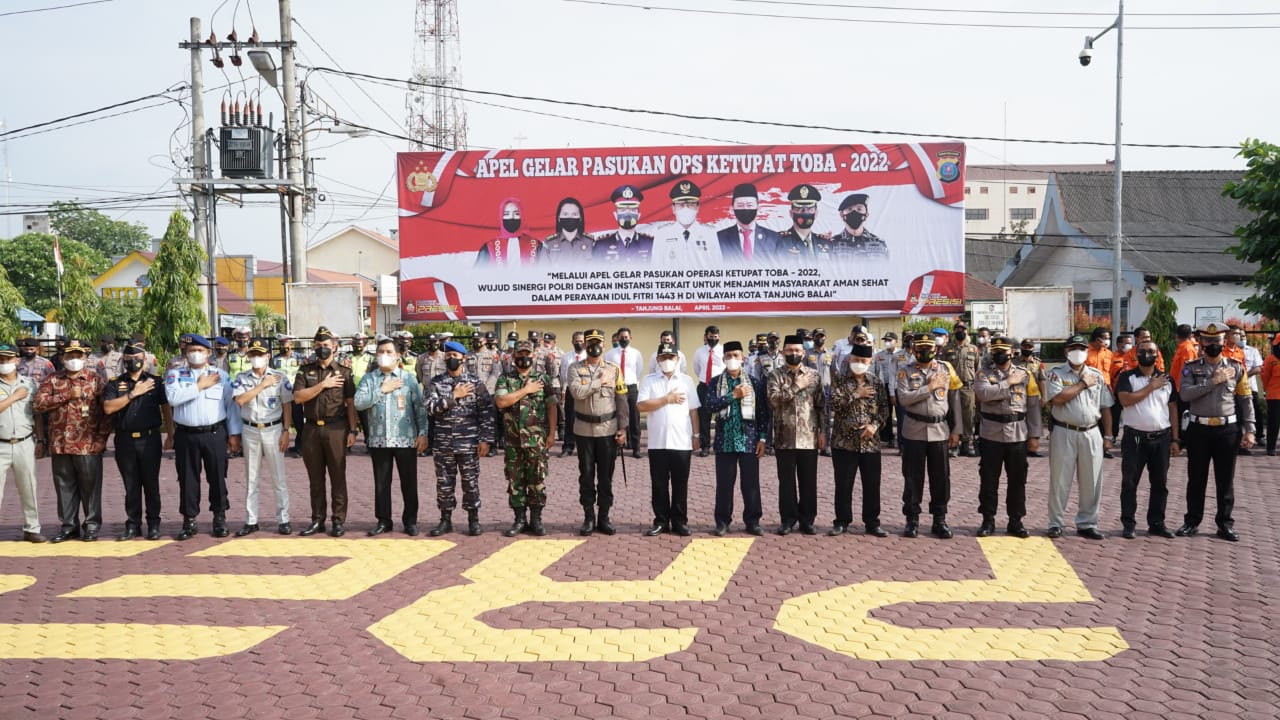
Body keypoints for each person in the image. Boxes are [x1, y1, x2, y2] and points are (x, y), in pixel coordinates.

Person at [1176, 322, 1256, 541]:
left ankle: (1225, 523)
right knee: (1196, 478)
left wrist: (1250, 430)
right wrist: (1213, 382)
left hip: (1227, 430)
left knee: (1225, 480)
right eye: (1208, 340)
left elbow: (1246, 400)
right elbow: (1185, 394)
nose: (1213, 344)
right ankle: (1192, 521)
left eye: (1217, 340)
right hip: (1199, 429)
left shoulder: (1237, 367)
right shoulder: (1191, 367)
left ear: (1224, 341)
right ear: (1201, 342)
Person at [163, 335, 243, 540]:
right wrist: (199, 386)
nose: (195, 354)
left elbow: (230, 406)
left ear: (208, 353)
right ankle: (189, 520)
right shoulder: (175, 374)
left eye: (200, 350)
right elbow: (172, 399)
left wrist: (234, 434)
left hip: (215, 433)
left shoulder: (221, 375)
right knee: (188, 479)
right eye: (191, 350)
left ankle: (219, 517)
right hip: (186, 435)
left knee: (217, 477)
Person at [35, 339, 113, 542]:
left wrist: (102, 439)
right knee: (63, 486)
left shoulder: (96, 380)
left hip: (88, 443)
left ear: (86, 358)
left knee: (90, 487)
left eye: (78, 356)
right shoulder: (52, 380)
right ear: (63, 357)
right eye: (70, 356)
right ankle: (69, 526)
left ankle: (92, 525)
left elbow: (107, 413)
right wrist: (66, 395)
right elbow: (38, 404)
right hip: (60, 444)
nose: (74, 360)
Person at [355, 336, 428, 537]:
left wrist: (423, 433)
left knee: (408, 481)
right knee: (381, 482)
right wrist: (381, 390)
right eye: (380, 352)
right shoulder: (369, 379)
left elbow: (419, 408)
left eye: (388, 352)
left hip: (405, 439)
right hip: (379, 439)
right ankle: (383, 520)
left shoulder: (409, 379)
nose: (383, 356)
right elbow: (358, 403)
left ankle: (410, 520)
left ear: (397, 356)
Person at [1044, 334, 1115, 540]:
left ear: (1087, 351)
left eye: (1082, 348)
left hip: (1091, 431)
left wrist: (1108, 435)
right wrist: (1082, 384)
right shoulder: (1056, 374)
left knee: (1092, 480)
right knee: (1059, 480)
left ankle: (1087, 523)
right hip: (1064, 431)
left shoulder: (1097, 375)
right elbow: (1056, 399)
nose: (1078, 352)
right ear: (1066, 351)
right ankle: (1055, 523)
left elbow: (1106, 407)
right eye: (1073, 348)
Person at [973, 337, 1043, 539]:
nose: (998, 354)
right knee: (988, 480)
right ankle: (988, 520)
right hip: (991, 433)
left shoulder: (1025, 374)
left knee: (1017, 480)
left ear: (1012, 352)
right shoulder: (983, 374)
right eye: (995, 351)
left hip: (1017, 433)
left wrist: (1035, 435)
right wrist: (1007, 383)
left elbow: (1033, 405)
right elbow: (984, 394)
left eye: (1002, 350)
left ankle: (1016, 521)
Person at [291, 327, 358, 538]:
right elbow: (299, 397)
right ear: (314, 347)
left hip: (336, 429)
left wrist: (353, 430)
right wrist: (323, 384)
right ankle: (317, 520)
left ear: (335, 347)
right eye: (319, 345)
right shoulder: (305, 371)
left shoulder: (345, 372)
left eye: (326, 345)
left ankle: (338, 521)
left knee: (338, 476)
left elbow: (350, 404)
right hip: (311, 429)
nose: (322, 349)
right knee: (315, 478)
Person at [424, 339, 495, 536]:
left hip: (469, 442)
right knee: (444, 484)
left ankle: (473, 519)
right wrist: (453, 397)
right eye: (447, 356)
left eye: (454, 356)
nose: (450, 359)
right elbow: (430, 408)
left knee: (470, 482)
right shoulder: (436, 383)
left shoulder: (475, 383)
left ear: (464, 358)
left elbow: (486, 413)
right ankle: (445, 520)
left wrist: (485, 440)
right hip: (443, 443)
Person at [103, 344, 172, 540]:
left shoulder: (155, 382)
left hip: (149, 438)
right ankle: (133, 524)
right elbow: (108, 408)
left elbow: (166, 408)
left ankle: (153, 524)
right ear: (123, 360)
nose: (132, 360)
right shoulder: (115, 384)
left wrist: (171, 434)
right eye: (128, 357)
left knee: (151, 484)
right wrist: (133, 393)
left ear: (144, 358)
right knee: (131, 485)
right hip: (125, 440)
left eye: (136, 356)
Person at [897, 335, 963, 539]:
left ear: (935, 349)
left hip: (940, 430)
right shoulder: (905, 371)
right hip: (914, 429)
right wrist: (930, 388)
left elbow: (955, 400)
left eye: (929, 347)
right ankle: (912, 520)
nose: (924, 351)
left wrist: (957, 429)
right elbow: (904, 399)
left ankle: (939, 520)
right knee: (912, 478)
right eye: (920, 347)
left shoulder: (946, 369)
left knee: (940, 478)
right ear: (914, 349)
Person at [1114, 338, 1179, 539]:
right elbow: (1125, 400)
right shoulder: (1127, 377)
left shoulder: (1167, 379)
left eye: (1151, 350)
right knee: (1130, 482)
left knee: (1160, 483)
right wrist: (1151, 386)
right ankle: (1129, 523)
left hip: (1162, 438)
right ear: (1136, 354)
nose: (1147, 354)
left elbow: (1173, 409)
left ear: (1157, 354)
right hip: (1135, 438)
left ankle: (1157, 522)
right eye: (1142, 351)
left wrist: (1176, 439)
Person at [567, 328, 629, 535]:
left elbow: (621, 400)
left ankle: (604, 517)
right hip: (584, 431)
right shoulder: (574, 368)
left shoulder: (614, 369)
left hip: (607, 430)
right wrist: (598, 382)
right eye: (590, 342)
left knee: (605, 477)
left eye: (598, 342)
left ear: (603, 345)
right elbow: (577, 392)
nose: (594, 346)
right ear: (585, 345)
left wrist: (622, 428)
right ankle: (588, 517)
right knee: (585, 476)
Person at [494, 340, 559, 537]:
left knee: (537, 479)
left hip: (536, 440)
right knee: (515, 481)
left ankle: (536, 519)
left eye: (527, 354)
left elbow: (552, 406)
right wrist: (526, 390)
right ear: (514, 357)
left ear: (533, 356)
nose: (524, 357)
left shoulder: (543, 379)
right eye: (520, 354)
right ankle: (519, 519)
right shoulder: (505, 379)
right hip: (513, 441)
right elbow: (501, 401)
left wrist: (552, 432)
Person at [635, 341, 700, 536]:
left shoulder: (687, 381)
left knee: (681, 483)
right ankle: (661, 520)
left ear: (678, 359)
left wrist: (696, 435)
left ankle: (680, 521)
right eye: (663, 358)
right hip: (657, 442)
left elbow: (694, 410)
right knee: (659, 483)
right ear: (657, 360)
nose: (667, 361)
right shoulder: (649, 380)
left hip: (681, 441)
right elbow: (641, 406)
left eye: (671, 358)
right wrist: (666, 399)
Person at [704, 340, 768, 536]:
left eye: (736, 356)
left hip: (749, 441)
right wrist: (733, 395)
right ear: (723, 359)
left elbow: (762, 413)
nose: (732, 359)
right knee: (724, 485)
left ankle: (753, 521)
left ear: (743, 358)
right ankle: (722, 522)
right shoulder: (716, 382)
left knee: (751, 485)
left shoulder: (754, 383)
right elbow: (709, 406)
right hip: (725, 441)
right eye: (729, 356)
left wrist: (763, 439)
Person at [230, 341, 293, 536]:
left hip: (273, 429)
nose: (256, 358)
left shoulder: (280, 377)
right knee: (252, 477)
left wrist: (286, 430)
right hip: (250, 429)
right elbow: (240, 400)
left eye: (260, 354)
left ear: (268, 357)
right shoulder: (242, 377)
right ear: (249, 357)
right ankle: (251, 520)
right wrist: (262, 385)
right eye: (253, 354)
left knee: (278, 477)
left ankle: (283, 519)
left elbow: (287, 405)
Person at [828, 343, 890, 537]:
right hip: (843, 442)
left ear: (870, 362)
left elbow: (884, 409)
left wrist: (874, 426)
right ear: (849, 360)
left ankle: (872, 522)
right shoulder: (839, 379)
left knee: (872, 485)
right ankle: (842, 521)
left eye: (863, 361)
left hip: (870, 444)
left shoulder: (877, 382)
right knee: (844, 485)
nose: (859, 364)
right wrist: (856, 394)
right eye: (856, 360)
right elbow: (834, 404)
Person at [767, 334, 827, 535]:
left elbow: (821, 406)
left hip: (809, 437)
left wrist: (823, 432)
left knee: (808, 482)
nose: (794, 354)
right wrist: (796, 386)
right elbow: (774, 400)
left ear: (803, 353)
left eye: (798, 351)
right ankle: (787, 520)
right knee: (786, 483)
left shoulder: (814, 375)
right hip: (784, 437)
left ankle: (807, 520)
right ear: (784, 352)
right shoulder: (775, 375)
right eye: (790, 350)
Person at [0, 342, 46, 542]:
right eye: (1, 360)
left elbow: (37, 414)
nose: (4, 364)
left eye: (8, 359)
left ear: (16, 360)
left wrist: (41, 439)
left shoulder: (29, 384)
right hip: (0, 443)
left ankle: (32, 528)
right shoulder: (19, 390)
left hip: (24, 442)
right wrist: (14, 397)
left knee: (29, 487)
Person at [652, 180, 720, 267]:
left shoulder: (710, 233)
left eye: (690, 205)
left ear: (697, 207)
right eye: (681, 205)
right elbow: (656, 268)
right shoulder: (662, 234)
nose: (685, 209)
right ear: (673, 208)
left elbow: (718, 267)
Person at [939, 321, 980, 457]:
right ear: (954, 332)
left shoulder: (973, 349)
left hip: (968, 387)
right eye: (958, 329)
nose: (960, 331)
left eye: (963, 329)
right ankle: (953, 444)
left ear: (967, 332)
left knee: (968, 416)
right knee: (952, 415)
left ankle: (966, 444)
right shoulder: (946, 349)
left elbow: (977, 367)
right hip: (952, 388)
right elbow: (942, 368)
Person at [604, 326, 644, 458]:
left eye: (626, 337)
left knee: (634, 419)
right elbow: (607, 371)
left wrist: (631, 382)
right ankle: (616, 447)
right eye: (621, 337)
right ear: (617, 338)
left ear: (630, 338)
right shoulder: (610, 354)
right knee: (616, 418)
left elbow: (639, 371)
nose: (624, 339)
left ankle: (636, 448)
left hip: (631, 388)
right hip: (616, 389)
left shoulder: (636, 353)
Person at [716, 183, 781, 262]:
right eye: (740, 205)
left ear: (758, 208)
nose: (745, 208)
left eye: (749, 205)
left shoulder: (774, 238)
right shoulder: (719, 238)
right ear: (732, 209)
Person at [593, 184, 654, 263]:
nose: (627, 214)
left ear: (638, 216)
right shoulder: (601, 245)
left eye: (632, 210)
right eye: (622, 210)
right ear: (615, 215)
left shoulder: (650, 244)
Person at [775, 184, 832, 260]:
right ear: (791, 213)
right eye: (800, 209)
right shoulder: (779, 243)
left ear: (816, 213)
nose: (805, 213)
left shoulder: (825, 244)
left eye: (810, 209)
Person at [477, 197, 540, 266]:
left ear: (522, 216)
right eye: (506, 214)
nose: (511, 217)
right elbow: (478, 274)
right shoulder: (489, 246)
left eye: (516, 214)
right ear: (501, 216)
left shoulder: (536, 245)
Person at [692, 325, 724, 458]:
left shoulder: (723, 350)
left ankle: (719, 444)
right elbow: (697, 369)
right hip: (704, 386)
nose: (713, 339)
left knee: (721, 417)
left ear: (719, 337)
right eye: (711, 337)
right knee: (704, 417)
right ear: (706, 337)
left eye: (716, 337)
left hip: (720, 387)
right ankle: (705, 446)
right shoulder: (699, 352)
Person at [1013, 338, 1047, 457]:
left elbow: (1041, 381)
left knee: (1034, 421)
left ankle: (1032, 449)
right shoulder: (1014, 362)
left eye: (1029, 347)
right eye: (1025, 347)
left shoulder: (1038, 363)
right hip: (1017, 395)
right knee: (1018, 420)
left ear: (1033, 348)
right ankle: (1019, 446)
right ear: (1021, 347)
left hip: (1033, 396)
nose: (1027, 349)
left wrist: (1044, 397)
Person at [538, 197, 594, 265]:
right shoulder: (549, 244)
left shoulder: (591, 242)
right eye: (565, 214)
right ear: (558, 218)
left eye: (574, 214)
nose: (570, 217)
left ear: (580, 218)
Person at [831, 193, 888, 258]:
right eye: (849, 209)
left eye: (859, 209)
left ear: (866, 215)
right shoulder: (832, 243)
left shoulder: (880, 244)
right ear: (842, 215)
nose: (854, 213)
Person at [558, 330, 587, 457]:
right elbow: (563, 374)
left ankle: (584, 447)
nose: (579, 343)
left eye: (581, 341)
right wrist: (564, 389)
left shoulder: (588, 356)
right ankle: (568, 446)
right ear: (572, 342)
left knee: (584, 419)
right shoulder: (566, 357)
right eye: (577, 341)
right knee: (569, 419)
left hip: (586, 390)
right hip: (571, 390)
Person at [1263, 333, 1280, 456]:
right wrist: (1265, 391)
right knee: (1273, 423)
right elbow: (1264, 377)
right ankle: (1271, 447)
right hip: (1274, 396)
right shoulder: (1271, 359)